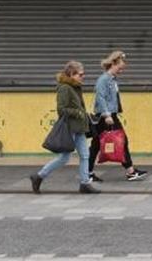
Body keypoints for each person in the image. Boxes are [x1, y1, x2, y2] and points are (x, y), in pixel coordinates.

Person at [30, 60, 100, 194]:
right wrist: (78, 113)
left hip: (79, 127)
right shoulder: (64, 88)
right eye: (80, 74)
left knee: (85, 155)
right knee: (64, 158)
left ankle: (85, 184)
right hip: (70, 127)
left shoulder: (75, 86)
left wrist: (85, 115)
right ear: (72, 74)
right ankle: (38, 176)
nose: (83, 76)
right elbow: (61, 109)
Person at [89, 50, 148, 182]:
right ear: (114, 63)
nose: (123, 68)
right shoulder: (104, 79)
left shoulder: (111, 79)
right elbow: (100, 97)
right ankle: (130, 171)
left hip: (108, 115)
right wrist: (107, 115)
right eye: (121, 65)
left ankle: (88, 172)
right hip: (106, 116)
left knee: (96, 144)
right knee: (122, 140)